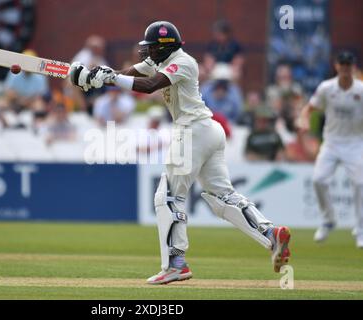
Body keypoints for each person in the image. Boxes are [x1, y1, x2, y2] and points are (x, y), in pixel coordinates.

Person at [70, 21, 291, 284]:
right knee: (222, 197)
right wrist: (96, 76)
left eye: (151, 47)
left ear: (165, 48)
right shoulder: (159, 60)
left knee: (168, 197)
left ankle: (176, 264)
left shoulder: (184, 62)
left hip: (193, 132)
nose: (147, 52)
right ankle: (270, 234)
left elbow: (149, 85)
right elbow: (130, 73)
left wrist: (112, 78)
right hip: (207, 131)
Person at [298, 51, 363, 248]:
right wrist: (304, 120)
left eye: (348, 65)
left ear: (353, 67)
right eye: (341, 64)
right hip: (332, 143)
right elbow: (309, 108)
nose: (345, 68)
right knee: (318, 180)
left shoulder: (361, 90)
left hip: (355, 143)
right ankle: (328, 220)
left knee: (360, 184)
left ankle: (360, 229)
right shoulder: (327, 88)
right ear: (337, 66)